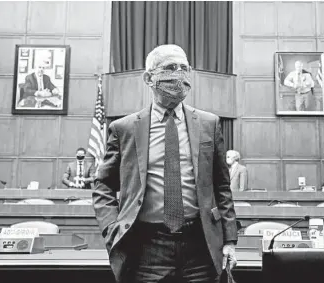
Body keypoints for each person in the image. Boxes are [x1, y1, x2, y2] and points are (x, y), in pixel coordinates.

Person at [93, 44, 238, 283]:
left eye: (184, 68)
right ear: (149, 78)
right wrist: (112, 228)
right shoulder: (125, 128)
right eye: (170, 68)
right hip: (146, 248)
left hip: (201, 244)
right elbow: (103, 185)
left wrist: (230, 240)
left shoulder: (209, 124)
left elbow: (221, 186)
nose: (179, 75)